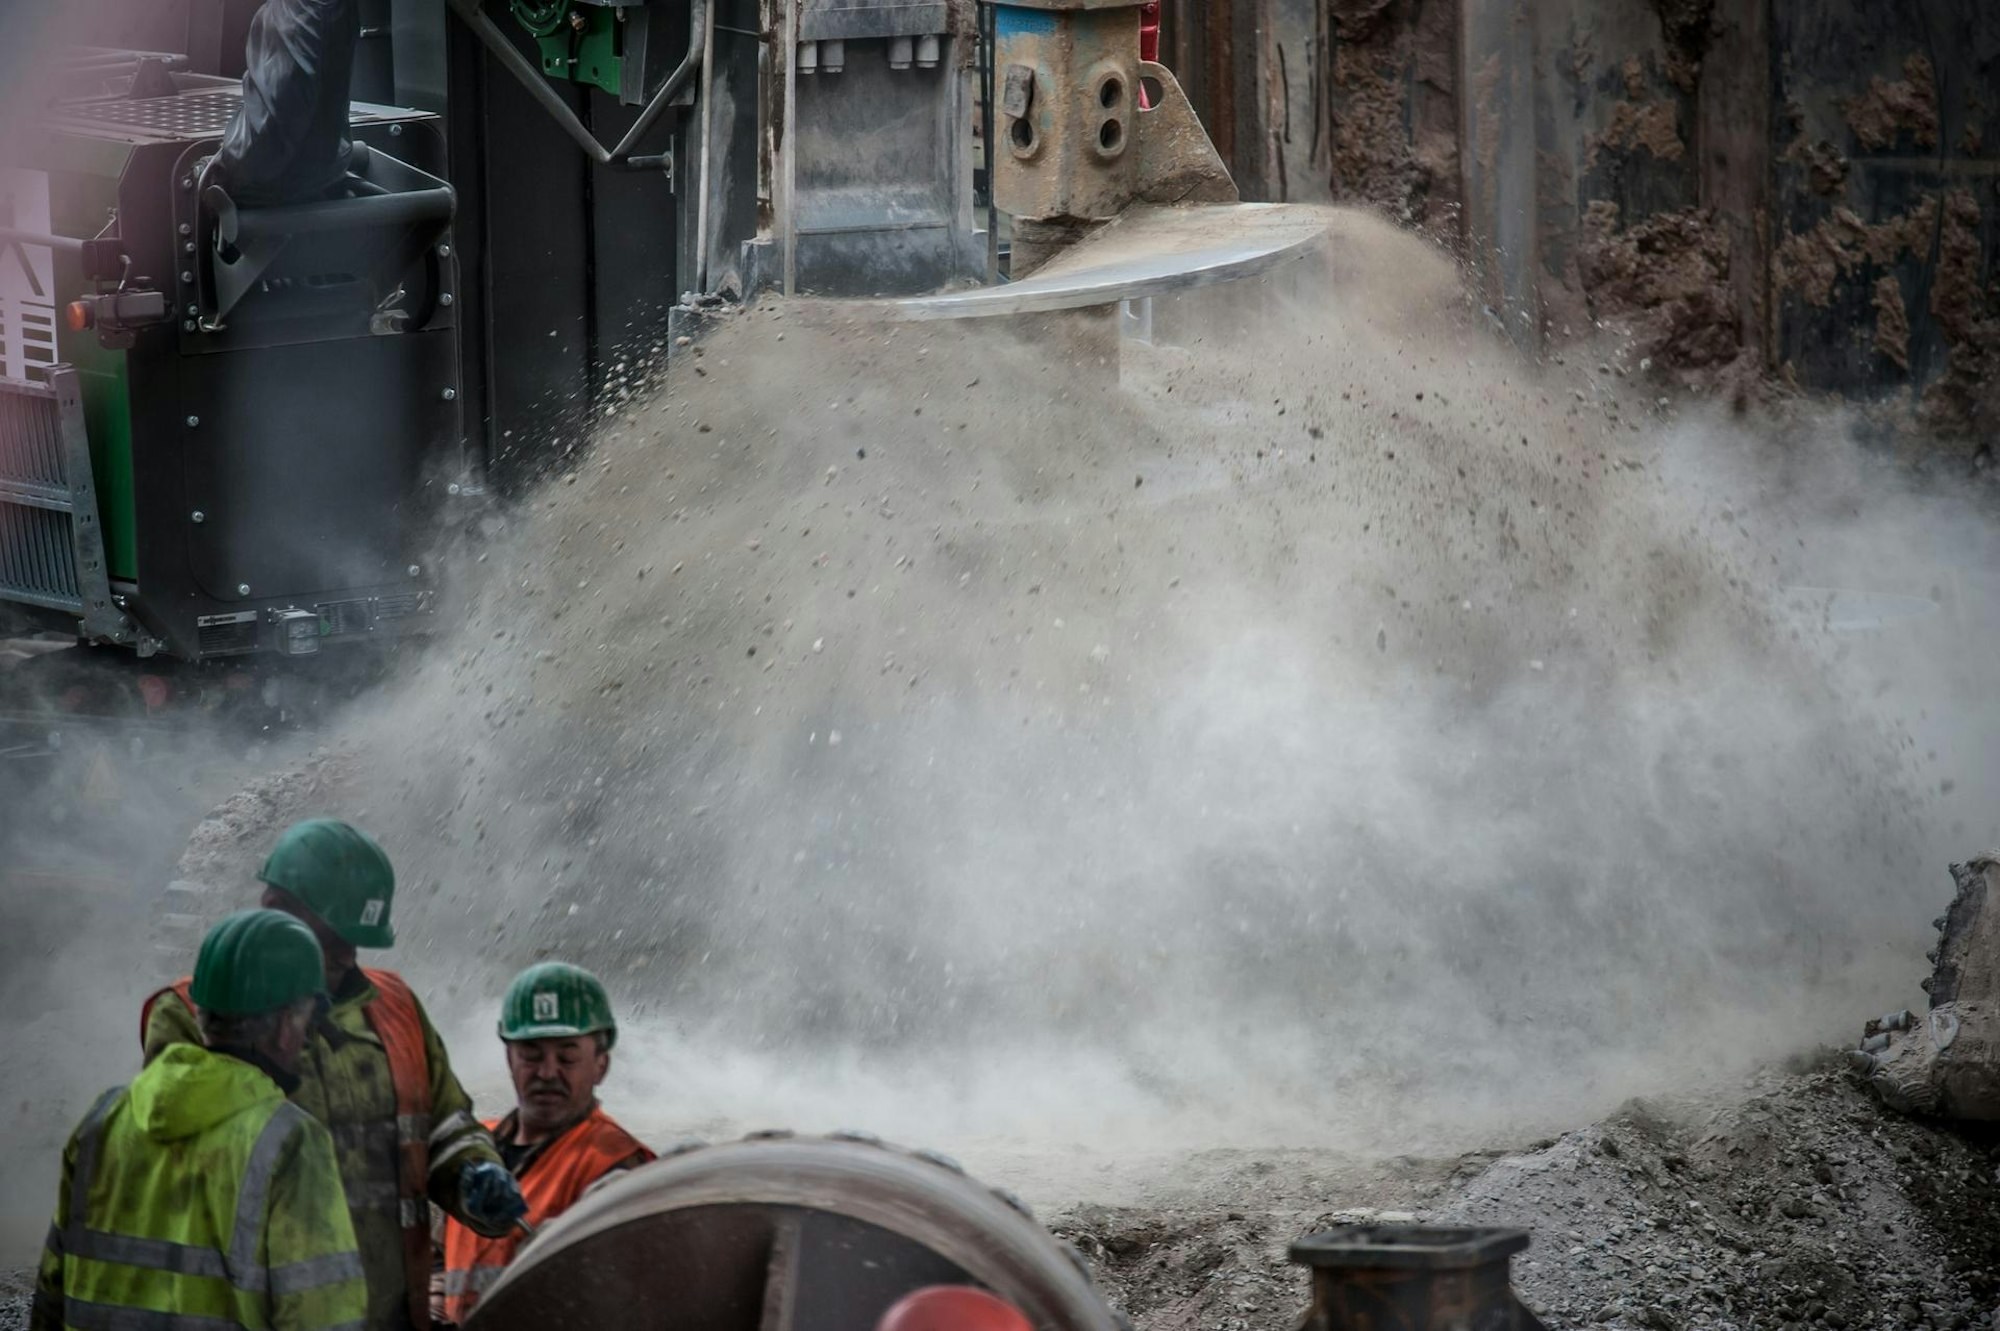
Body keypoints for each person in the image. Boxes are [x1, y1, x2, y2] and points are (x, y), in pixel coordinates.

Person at [143, 818, 525, 1331]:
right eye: (337, 937)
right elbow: (182, 1169)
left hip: (386, 1311)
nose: (349, 955)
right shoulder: (196, 1013)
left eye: (358, 940)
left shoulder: (396, 1008)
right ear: (277, 912)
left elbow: (441, 1124)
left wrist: (474, 1173)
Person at [34, 909, 367, 1331]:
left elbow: (50, 1295)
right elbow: (322, 1315)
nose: (306, 1039)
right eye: (307, 1021)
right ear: (286, 1023)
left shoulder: (103, 1121)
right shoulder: (290, 1142)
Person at [437, 963, 654, 1325]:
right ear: (509, 1058)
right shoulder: (471, 1149)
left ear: (601, 1065)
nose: (548, 1072)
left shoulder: (620, 1167)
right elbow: (439, 1255)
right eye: (532, 1055)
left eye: (567, 1056)